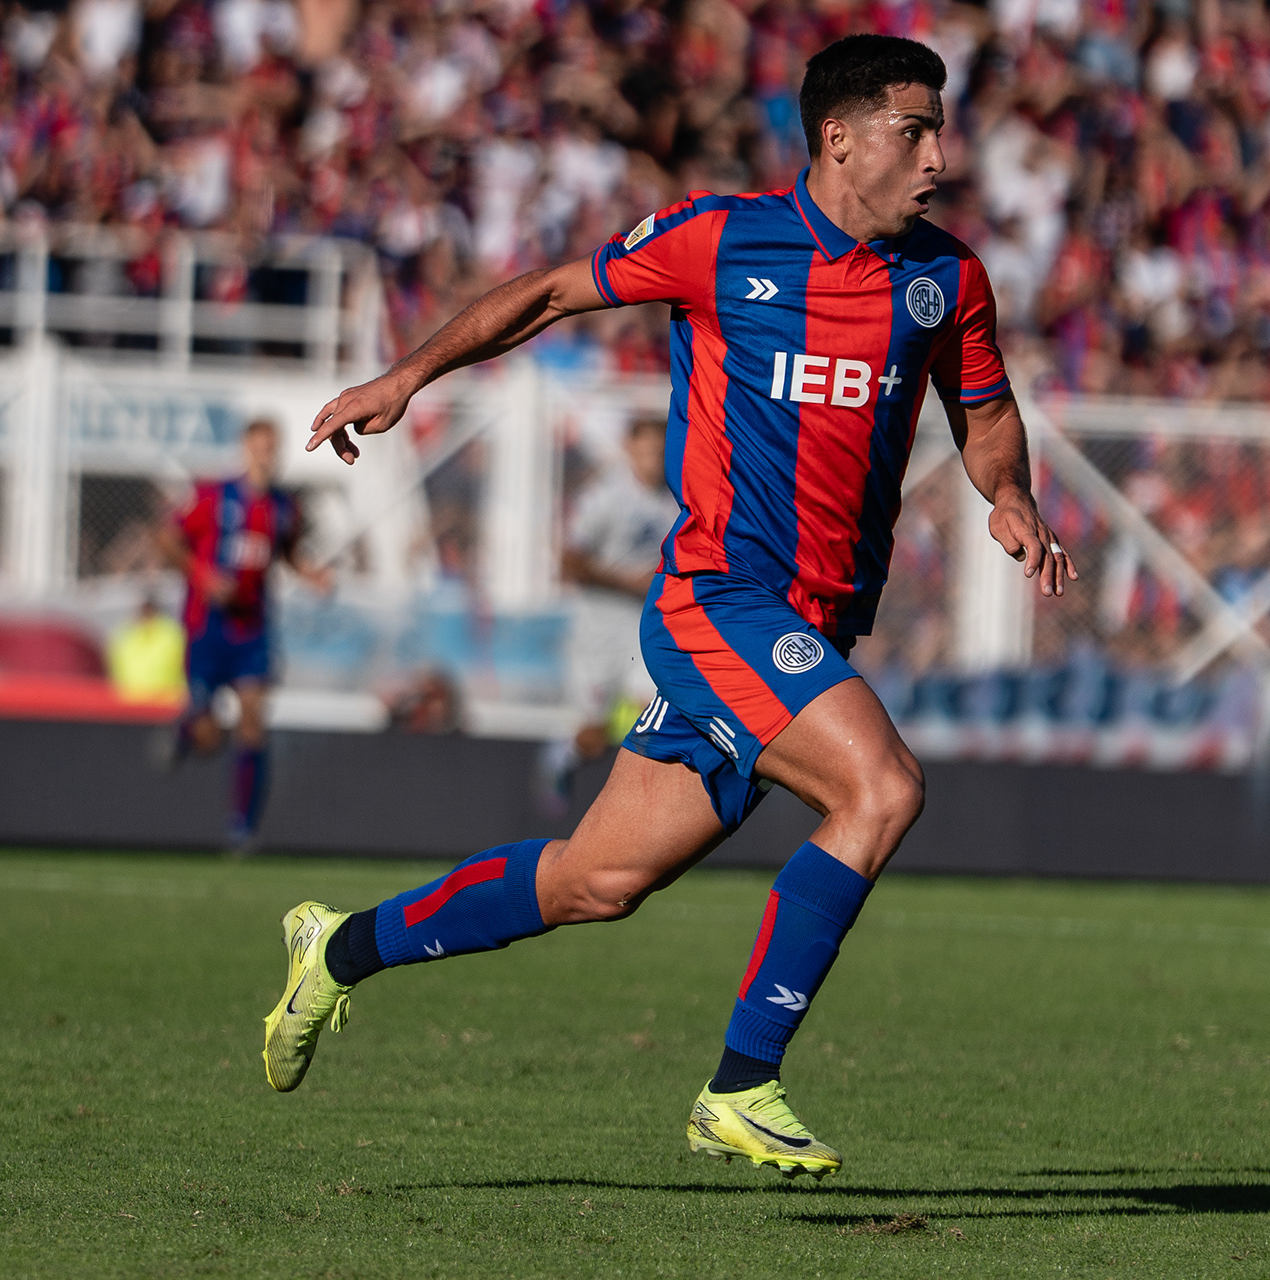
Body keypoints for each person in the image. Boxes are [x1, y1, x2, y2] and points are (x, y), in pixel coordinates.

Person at [263, 34, 1076, 1180]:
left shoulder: (946, 279)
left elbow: (984, 417)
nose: (940, 156)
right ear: (840, 138)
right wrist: (406, 375)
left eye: (939, 130)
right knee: (882, 787)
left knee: (593, 880)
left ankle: (337, 948)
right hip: (719, 603)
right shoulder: (723, 238)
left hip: (813, 629)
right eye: (916, 130)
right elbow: (551, 292)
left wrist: (1012, 494)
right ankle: (741, 1082)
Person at [157, 418, 332, 848]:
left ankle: (242, 827)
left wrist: (311, 573)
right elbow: (168, 540)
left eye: (272, 447)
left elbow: (287, 552)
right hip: (208, 626)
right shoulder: (213, 496)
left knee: (253, 718)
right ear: (245, 448)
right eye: (259, 447)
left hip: (252, 629)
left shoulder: (284, 507)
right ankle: (187, 731)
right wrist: (205, 577)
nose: (265, 455)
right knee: (208, 734)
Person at [564, 415, 679, 751]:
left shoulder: (676, 499)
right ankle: (561, 763)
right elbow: (570, 561)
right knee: (592, 734)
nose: (653, 458)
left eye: (659, 450)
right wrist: (629, 583)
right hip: (599, 629)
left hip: (649, 626)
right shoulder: (604, 498)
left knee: (652, 717)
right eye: (647, 449)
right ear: (629, 448)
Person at [107, 593, 187, 706]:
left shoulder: (172, 634)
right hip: (131, 705)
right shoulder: (125, 635)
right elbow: (116, 671)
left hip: (166, 704)